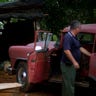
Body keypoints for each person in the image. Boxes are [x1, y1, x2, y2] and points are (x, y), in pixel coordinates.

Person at [61, 20, 91, 96]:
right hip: (67, 65)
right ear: (76, 28)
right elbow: (66, 51)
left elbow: (80, 48)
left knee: (68, 84)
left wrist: (91, 55)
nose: (80, 29)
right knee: (69, 85)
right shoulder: (68, 37)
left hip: (71, 65)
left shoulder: (74, 37)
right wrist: (74, 62)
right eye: (80, 28)